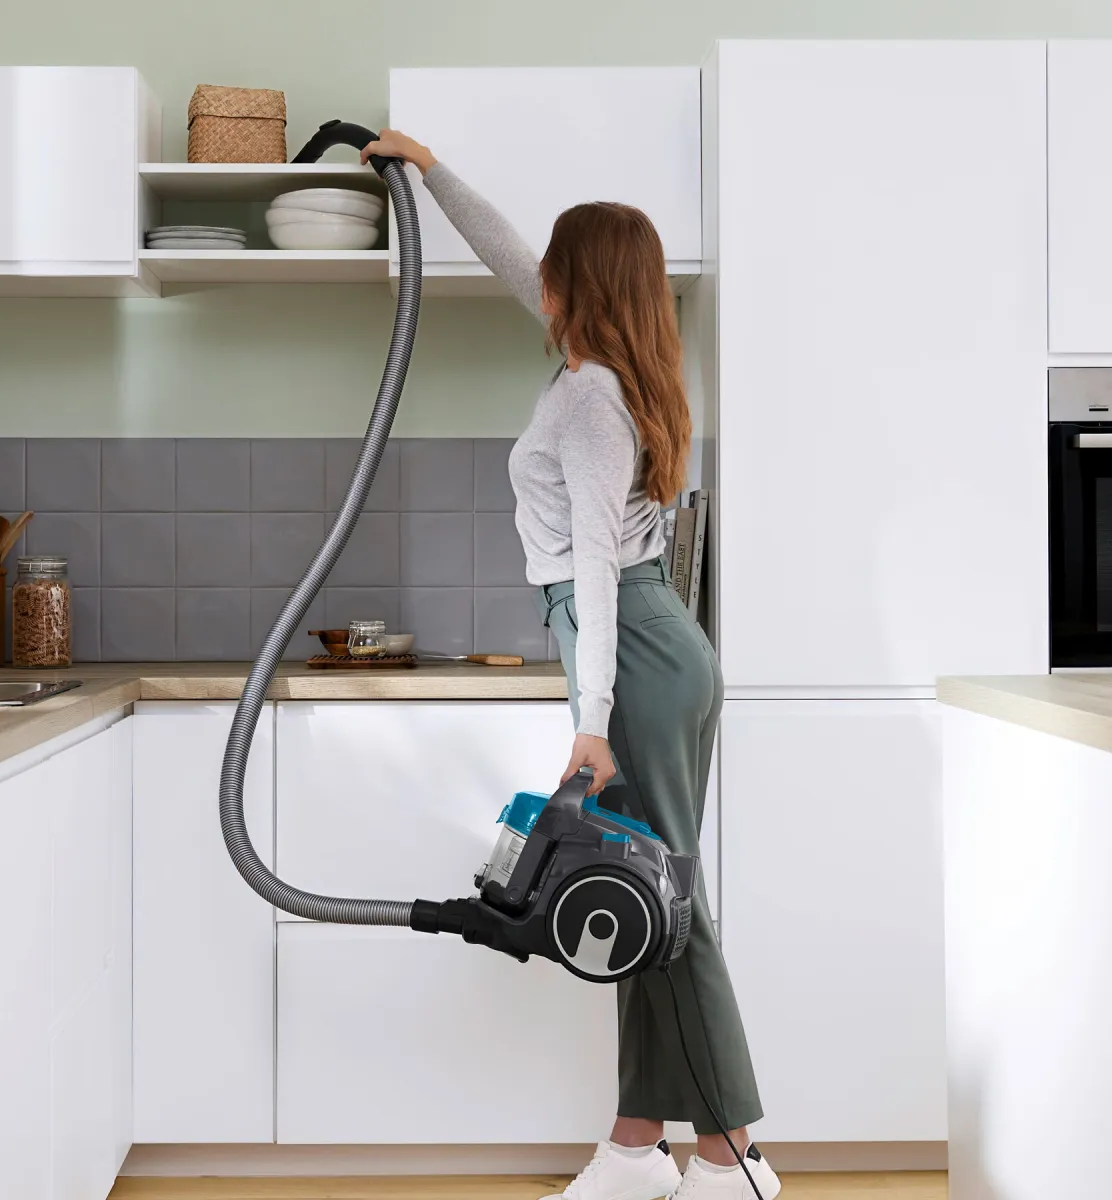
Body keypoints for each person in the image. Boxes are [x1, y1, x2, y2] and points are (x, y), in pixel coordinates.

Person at [360, 131, 779, 1200]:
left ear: (577, 286)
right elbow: (514, 259)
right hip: (640, 645)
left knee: (666, 903)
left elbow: (595, 571)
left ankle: (735, 1160)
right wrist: (432, 170)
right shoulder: (599, 372)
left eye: (552, 266)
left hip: (627, 644)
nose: (532, 278)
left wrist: (588, 722)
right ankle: (637, 1148)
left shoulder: (592, 399)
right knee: (637, 895)